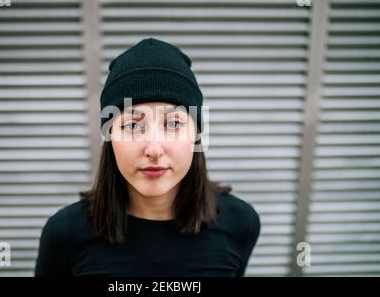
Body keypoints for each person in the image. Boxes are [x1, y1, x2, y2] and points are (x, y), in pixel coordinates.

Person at [34, 37, 261, 277]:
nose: (153, 149)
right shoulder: (65, 232)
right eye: (132, 126)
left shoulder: (241, 223)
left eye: (173, 123)